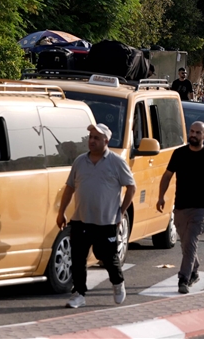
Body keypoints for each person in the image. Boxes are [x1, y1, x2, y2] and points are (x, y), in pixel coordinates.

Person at [56, 123, 136, 309]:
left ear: (106, 141)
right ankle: (79, 293)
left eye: (96, 138)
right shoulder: (80, 162)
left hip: (106, 221)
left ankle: (117, 283)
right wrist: (61, 213)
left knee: (107, 256)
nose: (91, 141)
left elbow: (131, 187)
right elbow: (69, 188)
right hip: (81, 219)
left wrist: (121, 212)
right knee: (77, 258)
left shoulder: (116, 162)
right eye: (90, 137)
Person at [156, 121, 204, 294]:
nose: (193, 135)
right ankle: (194, 269)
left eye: (198, 132)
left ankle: (183, 279)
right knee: (186, 243)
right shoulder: (179, 154)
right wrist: (161, 196)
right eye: (192, 131)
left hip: (201, 207)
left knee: (191, 241)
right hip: (180, 206)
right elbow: (167, 176)